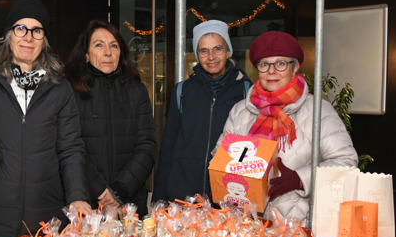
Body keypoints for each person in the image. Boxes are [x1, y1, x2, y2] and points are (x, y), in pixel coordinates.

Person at [0, 0, 90, 237]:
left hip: (46, 214)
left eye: (37, 31)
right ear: (8, 35)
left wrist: (77, 195)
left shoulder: (59, 87)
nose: (28, 37)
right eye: (20, 28)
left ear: (44, 40)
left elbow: (70, 148)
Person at [219, 30, 357, 220]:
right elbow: (220, 157)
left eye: (281, 63)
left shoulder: (318, 111)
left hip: (297, 228)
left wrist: (300, 179)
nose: (272, 71)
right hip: (245, 224)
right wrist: (228, 181)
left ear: (295, 67)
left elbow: (346, 162)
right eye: (264, 64)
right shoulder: (240, 111)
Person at [152, 19, 252, 202]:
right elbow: (168, 147)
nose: (211, 57)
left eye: (218, 49)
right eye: (204, 51)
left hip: (226, 196)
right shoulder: (182, 91)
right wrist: (158, 200)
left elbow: (251, 150)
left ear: (228, 51)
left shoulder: (246, 91)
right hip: (183, 197)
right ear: (197, 55)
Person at [64, 20, 156, 216]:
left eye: (114, 45)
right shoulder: (70, 92)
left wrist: (119, 190)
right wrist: (100, 190)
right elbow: (70, 146)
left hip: (130, 203)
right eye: (99, 45)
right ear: (86, 54)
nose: (108, 52)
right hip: (87, 204)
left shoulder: (137, 91)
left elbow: (147, 146)